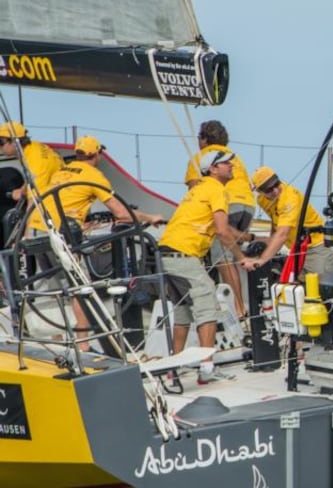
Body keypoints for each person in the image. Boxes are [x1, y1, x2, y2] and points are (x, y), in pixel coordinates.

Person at [25, 136, 165, 349]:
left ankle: (60, 341)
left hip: (36, 231)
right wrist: (150, 217)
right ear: (96, 155)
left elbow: (62, 202)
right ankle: (84, 345)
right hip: (58, 236)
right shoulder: (93, 176)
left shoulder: (62, 171)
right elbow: (122, 213)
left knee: (58, 287)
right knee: (80, 288)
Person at [159, 149, 246, 384]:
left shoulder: (199, 188)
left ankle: (174, 367)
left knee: (183, 310)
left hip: (165, 252)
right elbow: (221, 231)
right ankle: (207, 367)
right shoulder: (217, 190)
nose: (231, 166)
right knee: (207, 298)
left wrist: (245, 238)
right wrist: (242, 257)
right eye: (226, 164)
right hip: (185, 253)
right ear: (213, 169)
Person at [183, 120, 254, 319]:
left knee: (222, 258)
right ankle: (239, 304)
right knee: (229, 256)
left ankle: (239, 309)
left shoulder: (203, 158)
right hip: (248, 206)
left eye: (199, 137)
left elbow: (195, 189)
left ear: (204, 139)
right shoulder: (234, 158)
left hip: (226, 203)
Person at [240, 167, 333, 279]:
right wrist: (270, 248)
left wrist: (261, 260)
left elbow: (283, 234)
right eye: (269, 189)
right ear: (259, 191)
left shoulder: (289, 198)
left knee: (320, 288)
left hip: (316, 247)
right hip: (296, 249)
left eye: (276, 184)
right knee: (296, 289)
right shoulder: (261, 200)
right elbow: (276, 224)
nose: (275, 190)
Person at [0, 121, 63, 201]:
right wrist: (22, 190)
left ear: (15, 142)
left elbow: (34, 203)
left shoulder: (36, 164)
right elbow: (32, 179)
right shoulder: (34, 147)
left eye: (0, 142)